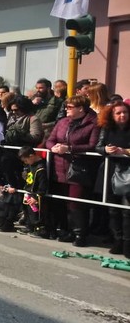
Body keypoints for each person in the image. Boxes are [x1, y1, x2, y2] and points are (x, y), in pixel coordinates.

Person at [45, 95, 100, 246]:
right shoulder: (62, 122)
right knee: (60, 201)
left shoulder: (94, 123)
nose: (66, 109)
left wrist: (69, 148)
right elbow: (50, 140)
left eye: (69, 107)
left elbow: (92, 145)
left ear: (81, 108)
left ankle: (80, 234)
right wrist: (53, 147)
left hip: (79, 169)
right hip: (59, 167)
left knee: (76, 203)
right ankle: (65, 230)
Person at [96, 101, 130, 257]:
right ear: (111, 115)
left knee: (127, 211)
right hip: (109, 171)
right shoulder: (106, 128)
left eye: (125, 112)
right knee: (113, 209)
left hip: (127, 172)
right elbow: (98, 146)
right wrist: (105, 149)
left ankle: (127, 244)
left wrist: (125, 151)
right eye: (118, 113)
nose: (122, 115)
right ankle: (117, 241)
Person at [18, 146, 49, 237]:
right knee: (27, 211)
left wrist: (36, 196)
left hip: (36, 194)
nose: (25, 163)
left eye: (26, 160)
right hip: (28, 191)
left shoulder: (40, 168)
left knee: (36, 213)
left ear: (31, 156)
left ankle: (40, 230)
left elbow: (43, 185)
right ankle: (29, 226)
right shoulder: (30, 164)